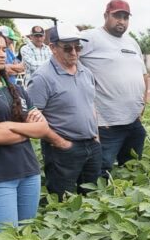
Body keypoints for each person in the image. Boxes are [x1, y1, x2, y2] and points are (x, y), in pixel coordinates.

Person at [0, 26, 51, 234]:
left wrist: (10, 125)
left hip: (29, 171)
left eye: (4, 49)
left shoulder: (16, 89)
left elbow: (43, 128)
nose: (2, 54)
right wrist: (28, 129)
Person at [29, 25, 101, 199]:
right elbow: (33, 118)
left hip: (91, 145)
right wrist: (60, 142)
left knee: (92, 200)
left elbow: (90, 105)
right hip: (62, 149)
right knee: (62, 201)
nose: (74, 53)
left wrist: (96, 137)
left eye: (78, 47)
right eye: (68, 48)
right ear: (52, 48)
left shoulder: (86, 72)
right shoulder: (42, 78)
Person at [79, 0, 148, 177]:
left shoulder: (132, 43)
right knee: (100, 171)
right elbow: (67, 60)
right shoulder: (90, 37)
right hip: (106, 123)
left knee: (131, 169)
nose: (122, 21)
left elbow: (143, 74)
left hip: (133, 121)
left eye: (125, 17)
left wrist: (143, 103)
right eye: (117, 16)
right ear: (105, 16)